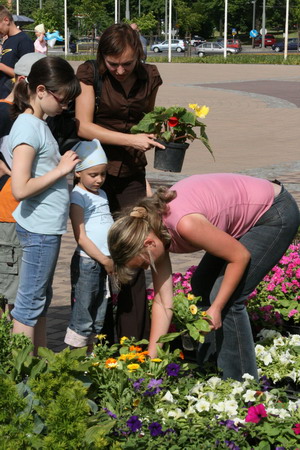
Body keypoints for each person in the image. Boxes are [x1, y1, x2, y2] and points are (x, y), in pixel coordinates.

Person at [108, 173, 300, 381]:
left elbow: (240, 256)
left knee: (227, 299)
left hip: (274, 213)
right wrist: (151, 362)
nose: (148, 267)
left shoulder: (185, 225)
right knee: (202, 286)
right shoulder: (154, 233)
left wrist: (216, 308)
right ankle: (212, 372)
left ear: (147, 243)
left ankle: (240, 385)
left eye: (145, 263)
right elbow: (164, 302)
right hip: (246, 217)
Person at [75, 23, 164, 342]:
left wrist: (165, 134)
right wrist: (130, 138)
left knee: (137, 251)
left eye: (128, 63)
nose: (122, 70)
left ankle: (130, 341)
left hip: (132, 173)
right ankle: (92, 332)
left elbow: (149, 120)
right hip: (94, 175)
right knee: (94, 250)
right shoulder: (89, 73)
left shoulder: (149, 75)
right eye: (114, 64)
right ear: (103, 59)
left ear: (138, 55)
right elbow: (83, 126)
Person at [8, 56, 81, 354]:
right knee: (29, 304)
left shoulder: (38, 124)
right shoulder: (28, 127)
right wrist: (61, 170)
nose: (65, 107)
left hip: (44, 228)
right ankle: (20, 377)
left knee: (39, 300)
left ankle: (36, 368)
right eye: (62, 100)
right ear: (40, 91)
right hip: (38, 229)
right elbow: (20, 187)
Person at [0, 52, 46, 318]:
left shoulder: (30, 117)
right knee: (11, 290)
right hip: (8, 210)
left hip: (28, 212)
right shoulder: (5, 113)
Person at [64, 139, 114, 351]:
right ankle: (73, 358)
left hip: (103, 263)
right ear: (78, 172)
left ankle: (91, 356)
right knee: (83, 313)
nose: (99, 180)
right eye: (93, 175)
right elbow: (81, 236)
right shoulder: (78, 196)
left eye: (102, 174)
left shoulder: (101, 194)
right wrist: (103, 259)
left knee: (99, 313)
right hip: (88, 263)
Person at [0, 5, 34, 99]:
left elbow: (27, 75)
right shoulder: (7, 41)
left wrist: (1, 66)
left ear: (6, 20)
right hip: (3, 95)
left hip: (13, 98)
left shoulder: (24, 40)